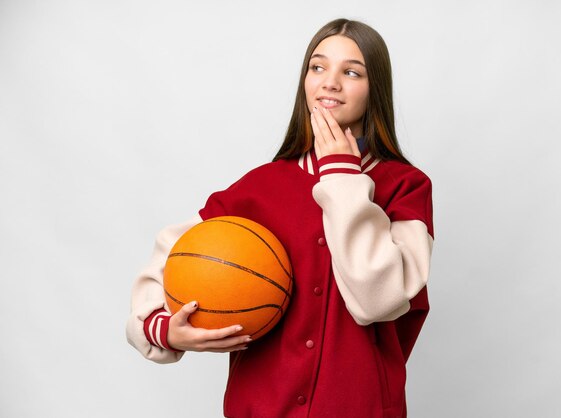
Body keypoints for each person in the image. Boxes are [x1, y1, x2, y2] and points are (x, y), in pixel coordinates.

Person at [126, 18, 434, 418]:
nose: (330, 82)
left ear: (375, 89)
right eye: (318, 67)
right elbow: (168, 265)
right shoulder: (260, 186)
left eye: (352, 72)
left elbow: (378, 301)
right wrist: (164, 329)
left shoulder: (407, 187)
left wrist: (341, 173)